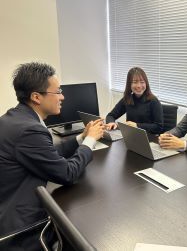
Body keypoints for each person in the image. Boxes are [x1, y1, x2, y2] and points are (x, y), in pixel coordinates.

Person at [0, 62, 104, 250]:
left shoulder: (16, 118)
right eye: (58, 92)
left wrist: (81, 138)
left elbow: (48, 154)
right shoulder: (29, 130)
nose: (62, 97)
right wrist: (90, 141)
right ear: (36, 97)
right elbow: (67, 173)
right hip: (21, 229)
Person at [105, 67, 163, 134]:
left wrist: (137, 125)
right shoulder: (128, 99)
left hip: (149, 138)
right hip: (131, 136)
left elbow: (159, 127)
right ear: (129, 84)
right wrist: (111, 123)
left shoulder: (153, 101)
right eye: (135, 82)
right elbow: (110, 116)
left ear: (146, 83)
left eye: (142, 82)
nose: (139, 86)